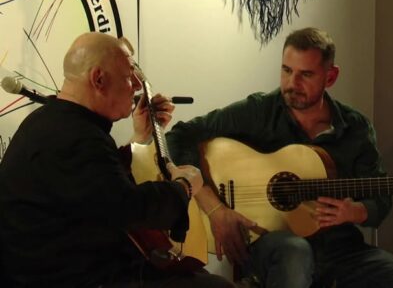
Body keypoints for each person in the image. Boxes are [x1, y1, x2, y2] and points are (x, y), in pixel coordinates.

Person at [166, 28, 393, 288]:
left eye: (305, 74)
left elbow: (381, 198)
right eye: (286, 70)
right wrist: (216, 210)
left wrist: (357, 211)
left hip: (339, 249)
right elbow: (179, 136)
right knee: (295, 252)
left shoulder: (356, 128)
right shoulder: (260, 111)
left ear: (331, 76)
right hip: (272, 245)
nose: (292, 84)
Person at [0, 32, 235, 288]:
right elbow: (130, 210)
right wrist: (184, 187)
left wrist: (139, 138)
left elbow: (97, 186)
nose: (135, 85)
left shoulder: (50, 121)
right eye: (128, 76)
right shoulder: (79, 137)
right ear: (98, 79)